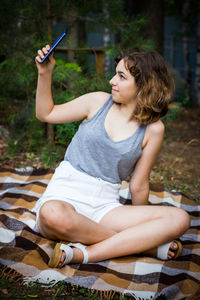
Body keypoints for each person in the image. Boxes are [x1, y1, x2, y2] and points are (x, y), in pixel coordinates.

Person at [34, 45, 190, 268]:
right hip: (65, 194)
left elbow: (138, 185)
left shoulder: (154, 129)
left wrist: (142, 222)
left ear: (144, 85)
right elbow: (45, 113)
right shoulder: (97, 102)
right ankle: (144, 246)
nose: (111, 81)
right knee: (52, 214)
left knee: (180, 219)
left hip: (105, 204)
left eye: (121, 76)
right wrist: (44, 73)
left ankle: (82, 254)